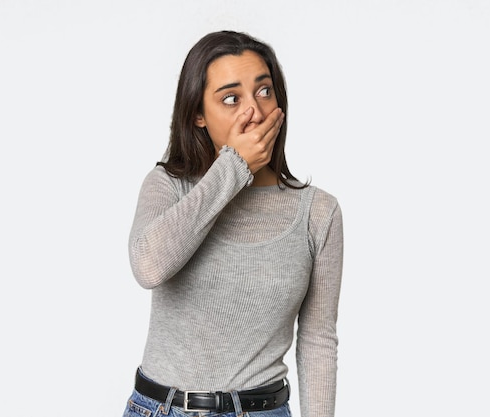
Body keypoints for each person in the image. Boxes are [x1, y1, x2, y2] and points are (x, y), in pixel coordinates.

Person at [123, 30, 344, 417]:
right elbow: (149, 266)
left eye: (264, 91)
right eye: (230, 98)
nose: (253, 112)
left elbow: (317, 340)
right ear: (197, 114)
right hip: (161, 409)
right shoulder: (168, 187)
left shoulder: (317, 212)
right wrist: (234, 167)